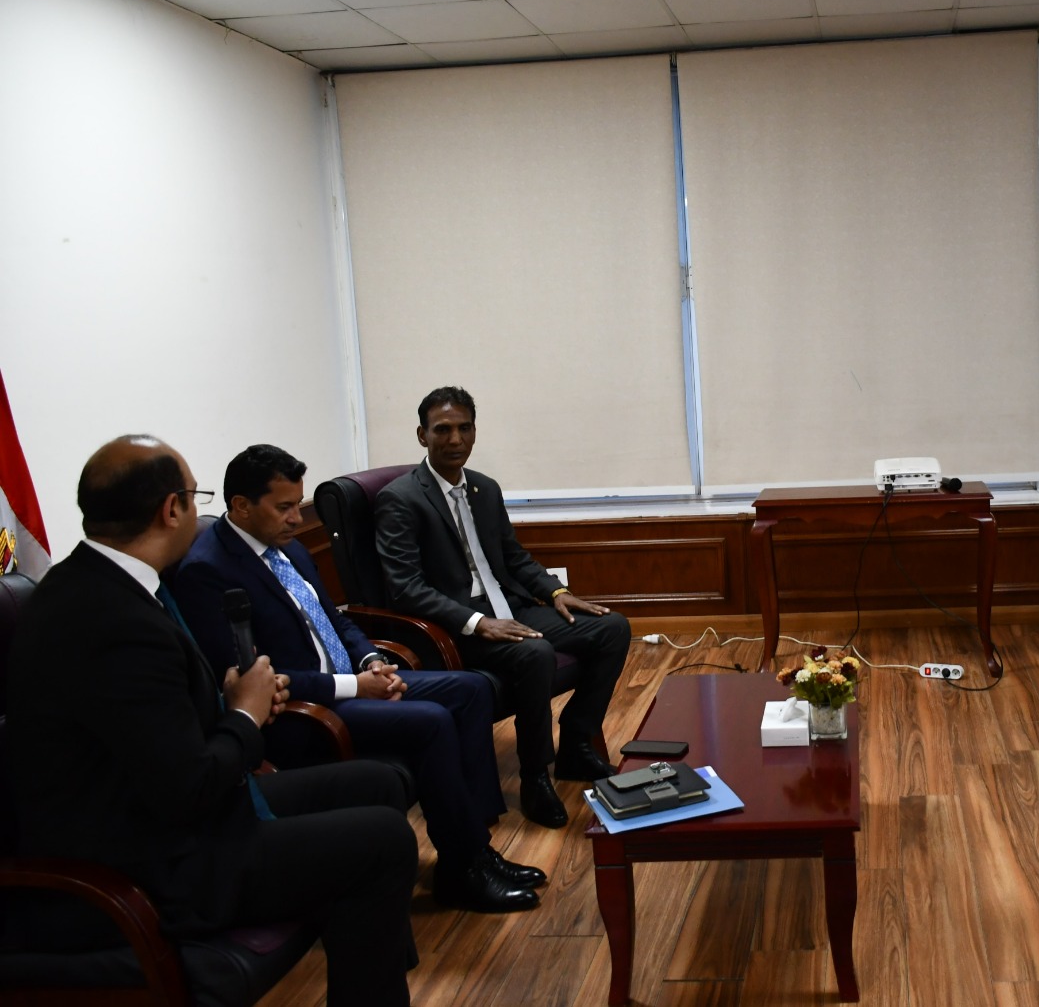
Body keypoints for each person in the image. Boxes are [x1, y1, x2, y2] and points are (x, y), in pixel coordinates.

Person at [6, 436, 416, 1006]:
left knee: (374, 782)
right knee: (382, 840)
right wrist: (245, 712)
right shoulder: (113, 621)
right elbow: (191, 787)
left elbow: (153, 728)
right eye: (195, 496)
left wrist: (230, 702)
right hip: (149, 863)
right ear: (171, 510)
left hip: (157, 814)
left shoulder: (90, 583)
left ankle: (372, 950)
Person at [170, 444, 544, 913]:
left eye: (298, 504)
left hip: (350, 679)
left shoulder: (289, 548)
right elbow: (249, 678)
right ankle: (463, 869)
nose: (296, 518)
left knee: (471, 689)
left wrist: (370, 661)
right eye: (284, 507)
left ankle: (476, 846)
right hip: (304, 710)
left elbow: (336, 619)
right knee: (430, 721)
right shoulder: (207, 571)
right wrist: (354, 686)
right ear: (242, 506)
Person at [375, 386, 630, 828]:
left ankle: (576, 743)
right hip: (454, 625)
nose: (455, 439)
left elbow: (513, 557)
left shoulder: (484, 488)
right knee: (535, 653)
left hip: (507, 605)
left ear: (475, 431)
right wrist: (477, 622)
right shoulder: (401, 498)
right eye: (443, 430)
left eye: (464, 428)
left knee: (612, 627)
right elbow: (406, 588)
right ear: (422, 435)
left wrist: (555, 593)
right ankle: (535, 776)